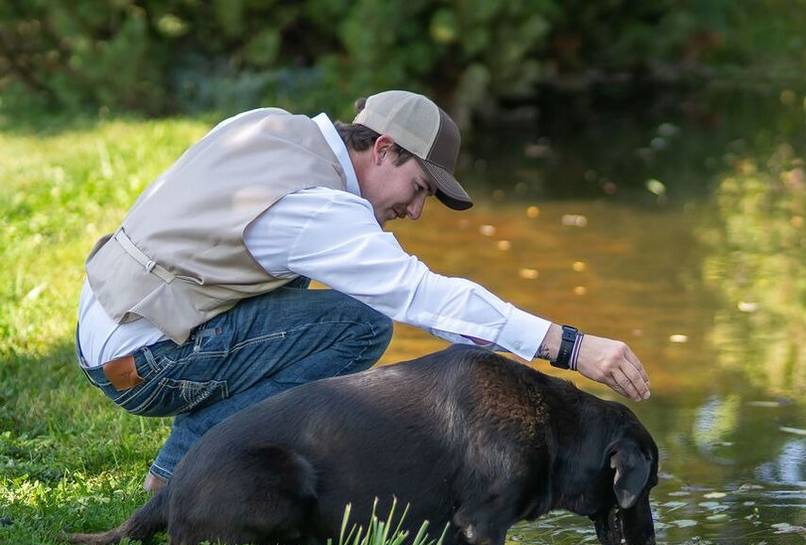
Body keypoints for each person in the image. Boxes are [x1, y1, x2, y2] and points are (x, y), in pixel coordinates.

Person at [76, 90, 651, 494]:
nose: (416, 211)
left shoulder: (271, 127)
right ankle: (177, 479)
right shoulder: (317, 207)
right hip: (144, 361)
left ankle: (174, 473)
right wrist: (571, 347)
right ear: (382, 149)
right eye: (419, 187)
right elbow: (428, 299)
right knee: (360, 325)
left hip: (111, 321)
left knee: (305, 301)